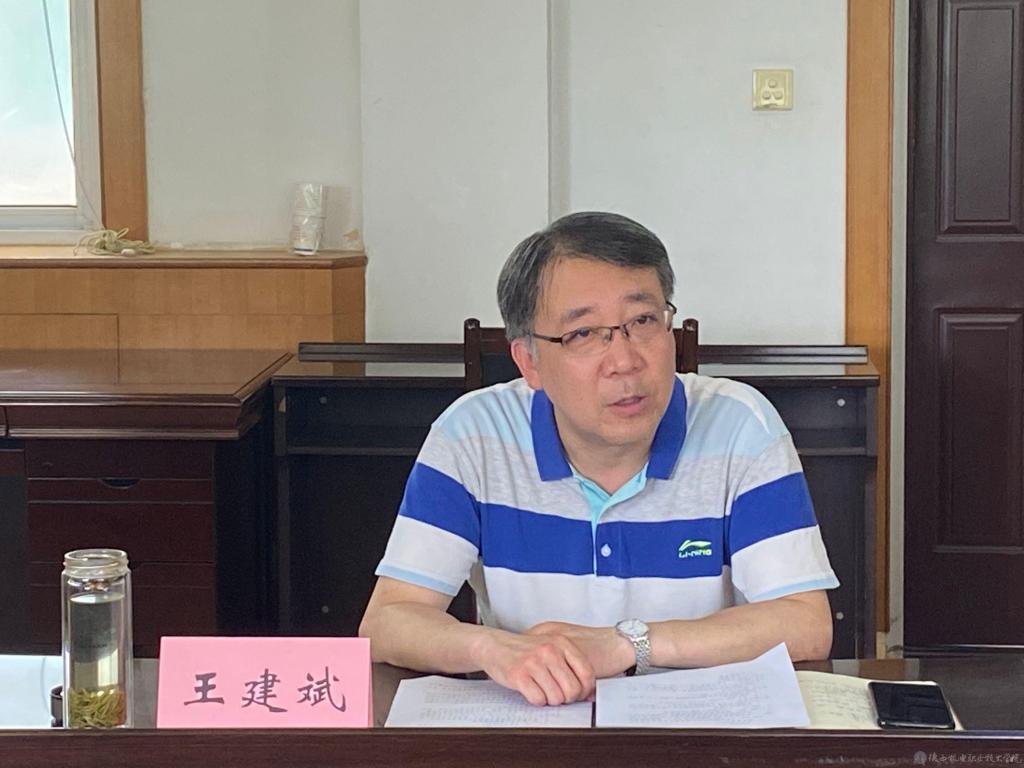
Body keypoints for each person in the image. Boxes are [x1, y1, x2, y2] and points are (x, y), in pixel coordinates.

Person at [359, 212, 837, 706]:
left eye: (643, 321)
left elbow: (805, 623)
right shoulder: (473, 435)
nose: (625, 361)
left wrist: (628, 644)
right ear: (529, 361)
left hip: (694, 725)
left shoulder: (740, 426)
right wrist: (492, 648)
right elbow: (388, 621)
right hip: (536, 722)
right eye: (583, 334)